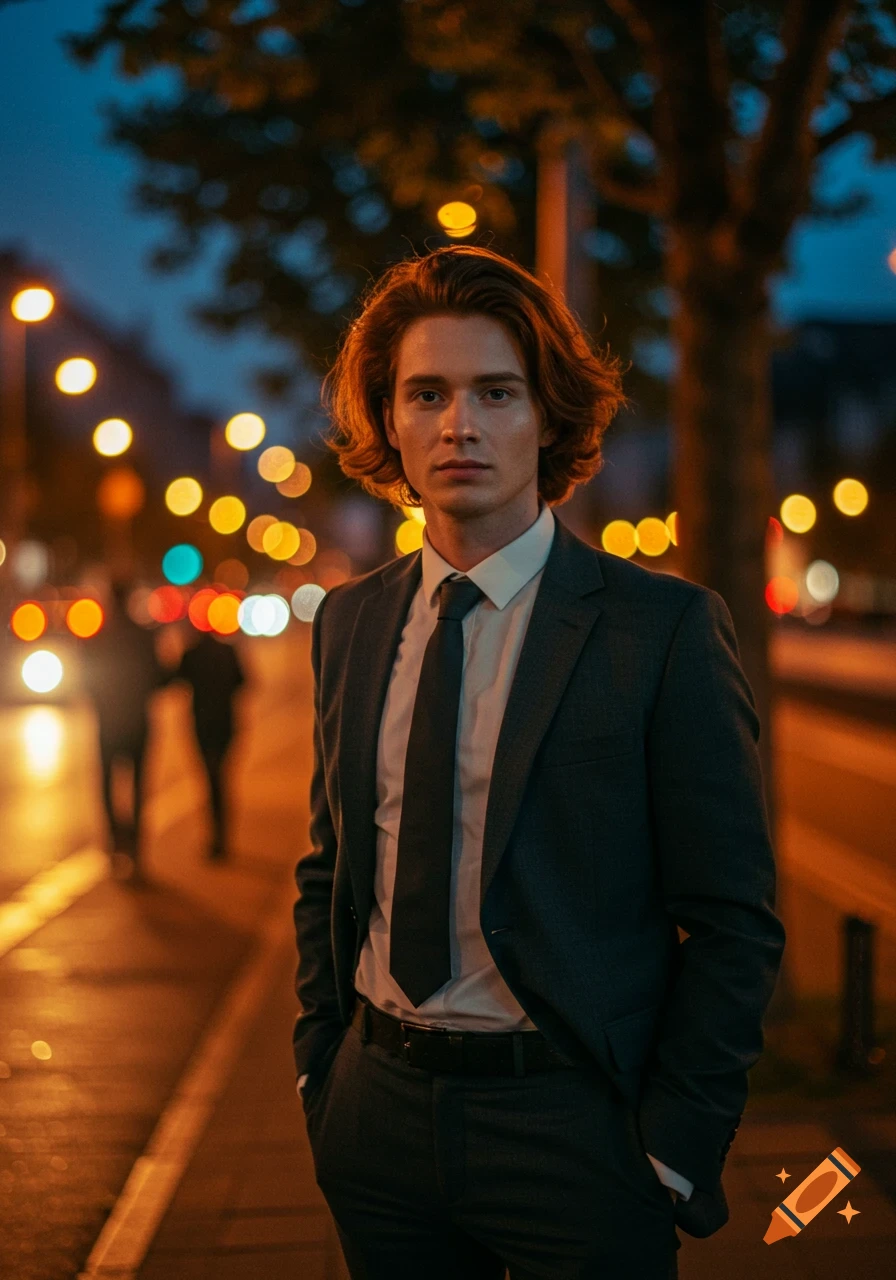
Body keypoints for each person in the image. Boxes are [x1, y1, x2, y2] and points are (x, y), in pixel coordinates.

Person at [292, 246, 786, 1278]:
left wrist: (674, 1143)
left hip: (575, 1127)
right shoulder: (347, 621)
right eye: (423, 392)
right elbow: (330, 866)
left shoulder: (661, 629)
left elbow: (732, 915)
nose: (457, 424)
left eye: (495, 392)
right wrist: (319, 1076)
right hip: (376, 1117)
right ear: (387, 418)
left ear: (548, 415)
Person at [81, 579, 167, 879]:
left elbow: (85, 681)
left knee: (107, 783)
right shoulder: (143, 637)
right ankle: (136, 849)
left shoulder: (98, 638)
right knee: (139, 785)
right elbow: (159, 678)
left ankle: (115, 841)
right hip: (138, 721)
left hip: (109, 722)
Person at [173, 628, 245, 860]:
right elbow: (243, 681)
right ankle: (221, 836)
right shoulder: (227, 650)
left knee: (210, 778)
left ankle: (217, 838)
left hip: (202, 724)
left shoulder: (192, 654)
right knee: (220, 778)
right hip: (226, 722)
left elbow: (173, 680)